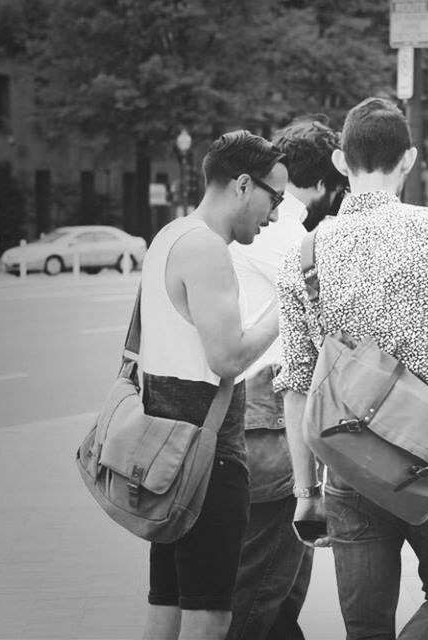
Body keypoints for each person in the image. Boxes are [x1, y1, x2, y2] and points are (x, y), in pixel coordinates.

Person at [274, 97, 428, 640]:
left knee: (365, 627)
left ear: (340, 162)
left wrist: (306, 492)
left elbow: (294, 386)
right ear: (408, 160)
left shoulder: (306, 252)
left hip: (349, 465)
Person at [139, 130, 287, 640]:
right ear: (244, 185)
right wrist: (288, 303)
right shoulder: (207, 249)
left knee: (168, 608)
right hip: (208, 459)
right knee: (210, 616)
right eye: (275, 198)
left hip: (169, 453)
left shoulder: (169, 236)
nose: (273, 217)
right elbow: (226, 358)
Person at [226, 117, 343, 640]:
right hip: (269, 419)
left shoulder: (255, 229)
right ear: (320, 183)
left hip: (263, 416)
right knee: (263, 589)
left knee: (279, 595)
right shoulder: (287, 238)